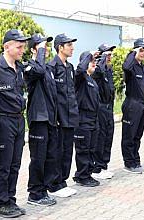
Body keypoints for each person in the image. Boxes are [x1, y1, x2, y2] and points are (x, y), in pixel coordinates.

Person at [0, 29, 30, 218]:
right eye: (19, 46)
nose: (23, 49)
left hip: (18, 119)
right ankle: (0, 203)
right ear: (7, 46)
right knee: (3, 164)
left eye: (24, 46)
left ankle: (10, 200)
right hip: (3, 120)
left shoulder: (19, 68)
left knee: (15, 164)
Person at [24, 34, 57, 206]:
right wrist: (41, 52)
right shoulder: (29, 67)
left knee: (49, 157)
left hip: (49, 118)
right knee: (38, 157)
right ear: (33, 49)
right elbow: (38, 71)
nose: (46, 49)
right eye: (41, 46)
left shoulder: (48, 70)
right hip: (38, 118)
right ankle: (34, 193)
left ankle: (43, 189)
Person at [47, 33, 79, 198]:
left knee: (67, 151)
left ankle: (63, 181)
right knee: (57, 152)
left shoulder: (70, 67)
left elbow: (72, 92)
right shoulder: (52, 66)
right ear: (60, 47)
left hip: (70, 117)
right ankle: (54, 184)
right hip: (58, 118)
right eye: (69, 45)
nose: (72, 48)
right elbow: (51, 96)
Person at [121, 38, 144, 174]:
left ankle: (136, 161)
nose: (143, 53)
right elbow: (125, 67)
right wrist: (133, 53)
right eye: (141, 50)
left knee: (138, 135)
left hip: (143, 106)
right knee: (129, 135)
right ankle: (129, 163)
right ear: (135, 50)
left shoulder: (143, 67)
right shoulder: (131, 66)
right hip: (132, 105)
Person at [73, 51, 101, 187]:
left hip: (93, 119)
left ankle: (87, 174)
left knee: (91, 148)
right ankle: (82, 175)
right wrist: (88, 55)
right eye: (91, 61)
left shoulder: (92, 80)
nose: (94, 63)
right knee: (83, 149)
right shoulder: (80, 78)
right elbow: (79, 70)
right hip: (83, 119)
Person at [91, 44, 116, 180]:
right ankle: (97, 168)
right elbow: (97, 72)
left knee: (108, 136)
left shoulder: (108, 69)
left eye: (110, 54)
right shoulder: (98, 69)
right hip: (100, 107)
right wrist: (100, 59)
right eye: (107, 54)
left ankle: (104, 165)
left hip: (108, 107)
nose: (109, 57)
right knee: (100, 138)